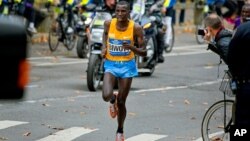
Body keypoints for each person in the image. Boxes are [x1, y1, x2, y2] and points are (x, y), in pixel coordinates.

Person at [101, 1, 147, 141]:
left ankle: (120, 130)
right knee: (105, 95)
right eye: (118, 11)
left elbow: (144, 52)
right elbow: (105, 34)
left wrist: (132, 48)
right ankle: (112, 99)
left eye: (123, 11)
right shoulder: (109, 23)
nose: (120, 14)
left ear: (129, 13)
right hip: (111, 64)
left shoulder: (136, 28)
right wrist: (104, 47)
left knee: (122, 102)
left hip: (127, 66)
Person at [227, 3, 250, 140]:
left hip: (245, 84)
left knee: (242, 125)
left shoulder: (241, 30)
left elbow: (231, 56)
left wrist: (236, 76)